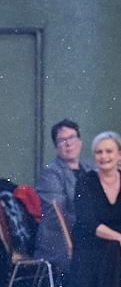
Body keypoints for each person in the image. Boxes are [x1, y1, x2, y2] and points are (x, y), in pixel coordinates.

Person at [64, 131, 121, 287]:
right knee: (113, 248)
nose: (104, 156)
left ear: (119, 155)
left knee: (115, 249)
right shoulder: (86, 181)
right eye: (99, 152)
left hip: (116, 246)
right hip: (91, 245)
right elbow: (89, 223)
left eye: (109, 151)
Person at [34, 119, 92, 278]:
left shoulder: (91, 169)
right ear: (56, 146)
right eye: (62, 140)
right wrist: (94, 226)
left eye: (72, 137)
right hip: (61, 239)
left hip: (89, 233)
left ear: (80, 141)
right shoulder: (50, 173)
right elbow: (58, 215)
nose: (69, 144)